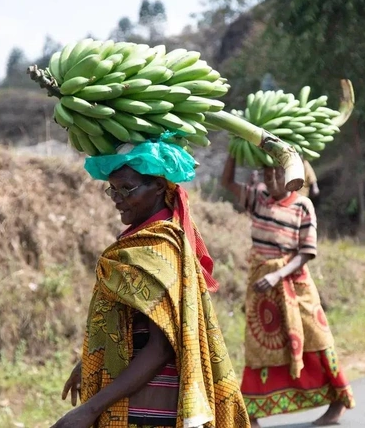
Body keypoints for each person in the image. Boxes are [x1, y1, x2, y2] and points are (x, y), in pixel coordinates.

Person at [51, 138, 250, 428]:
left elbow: (160, 347)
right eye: (113, 189)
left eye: (127, 189)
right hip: (134, 393)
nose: (117, 198)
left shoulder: (158, 247)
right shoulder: (144, 238)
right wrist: (90, 361)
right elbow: (131, 323)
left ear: (158, 186)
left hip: (151, 402)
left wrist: (89, 409)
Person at [221, 154, 355, 428]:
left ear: (291, 176)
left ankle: (338, 400)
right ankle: (252, 414)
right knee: (260, 348)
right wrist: (235, 152)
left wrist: (277, 276)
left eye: (277, 175)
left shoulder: (303, 206)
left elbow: (306, 252)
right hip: (261, 287)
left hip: (294, 282)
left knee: (316, 339)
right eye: (267, 175)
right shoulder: (258, 199)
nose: (271, 181)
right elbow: (226, 181)